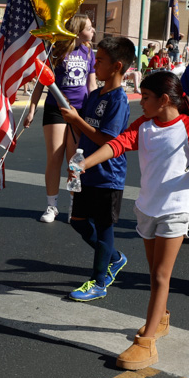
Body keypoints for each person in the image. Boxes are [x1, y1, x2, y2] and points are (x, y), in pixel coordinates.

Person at [71, 71, 189, 368]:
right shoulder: (144, 126)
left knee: (160, 277)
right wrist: (85, 164)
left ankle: (147, 342)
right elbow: (116, 145)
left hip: (175, 210)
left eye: (147, 97)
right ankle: (161, 318)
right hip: (147, 208)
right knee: (155, 273)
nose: (141, 102)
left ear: (164, 99)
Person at [58, 36, 134, 301]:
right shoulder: (94, 95)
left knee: (103, 228)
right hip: (86, 169)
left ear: (117, 66)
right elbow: (85, 135)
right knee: (77, 221)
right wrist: (76, 160)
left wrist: (77, 119)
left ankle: (98, 282)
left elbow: (109, 141)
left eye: (99, 61)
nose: (94, 64)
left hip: (108, 176)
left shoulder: (118, 100)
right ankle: (114, 257)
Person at [24, 15, 98, 223]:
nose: (93, 31)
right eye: (89, 28)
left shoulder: (89, 52)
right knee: (54, 157)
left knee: (75, 162)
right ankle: (51, 206)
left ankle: (74, 205)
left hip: (79, 110)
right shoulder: (55, 51)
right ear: (77, 30)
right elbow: (41, 83)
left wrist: (92, 112)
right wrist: (31, 110)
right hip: (55, 109)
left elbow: (91, 85)